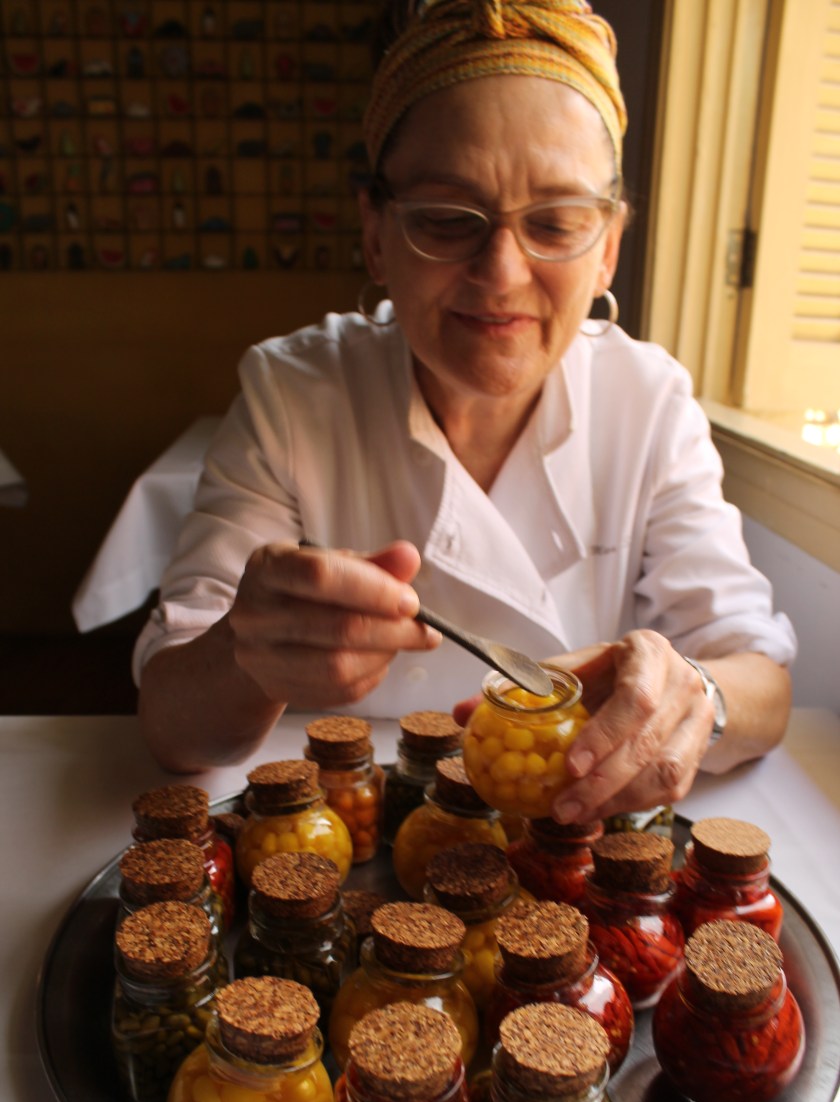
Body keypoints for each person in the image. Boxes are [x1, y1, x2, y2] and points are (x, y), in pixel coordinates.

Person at [135, 0, 796, 825]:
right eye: (449, 221)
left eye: (555, 224)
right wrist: (247, 655)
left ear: (609, 249)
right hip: (349, 826)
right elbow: (169, 722)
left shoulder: (648, 402)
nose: (502, 273)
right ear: (376, 233)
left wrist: (696, 696)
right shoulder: (294, 394)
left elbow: (760, 678)